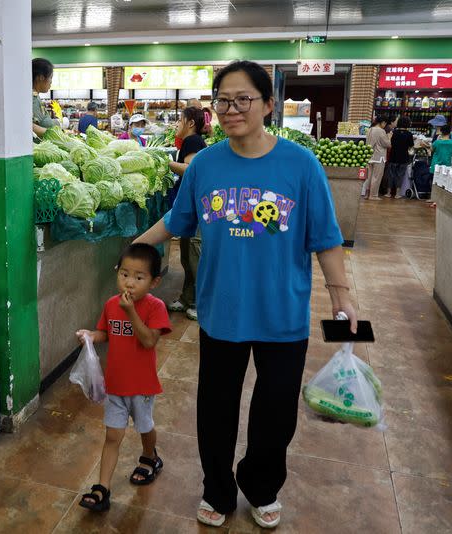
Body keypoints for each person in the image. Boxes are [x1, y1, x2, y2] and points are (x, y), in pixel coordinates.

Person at [133, 60, 356, 529]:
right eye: (222, 101)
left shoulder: (301, 164)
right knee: (215, 410)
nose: (231, 109)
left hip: (282, 313)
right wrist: (135, 247)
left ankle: (261, 486)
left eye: (243, 99)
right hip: (221, 312)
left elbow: (325, 237)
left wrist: (342, 295)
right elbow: (177, 221)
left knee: (275, 414)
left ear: (268, 105)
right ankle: (217, 489)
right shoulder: (206, 165)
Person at [76, 243, 172, 513]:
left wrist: (131, 311)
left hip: (141, 386)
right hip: (115, 385)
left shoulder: (155, 308)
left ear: (154, 282)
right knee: (112, 436)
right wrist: (90, 337)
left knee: (145, 427)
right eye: (124, 274)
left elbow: (148, 341)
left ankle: (150, 457)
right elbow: (105, 333)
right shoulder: (110, 304)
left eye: (139, 277)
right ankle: (102, 489)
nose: (129, 283)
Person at [167, 106, 207, 321]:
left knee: (193, 254)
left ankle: (199, 303)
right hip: (191, 206)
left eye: (180, 120)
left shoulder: (193, 141)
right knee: (186, 254)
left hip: (197, 206)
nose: (177, 124)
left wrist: (169, 163)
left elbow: (191, 169)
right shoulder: (193, 141)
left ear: (190, 123)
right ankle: (186, 298)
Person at [386, 116, 414, 199]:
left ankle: (388, 193)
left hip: (393, 156)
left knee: (391, 175)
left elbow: (390, 143)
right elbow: (411, 146)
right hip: (403, 158)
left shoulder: (394, 132)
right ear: (408, 124)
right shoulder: (409, 134)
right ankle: (397, 194)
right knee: (400, 175)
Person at [32, 58, 60, 138]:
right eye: (51, 77)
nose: (51, 81)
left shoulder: (35, 97)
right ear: (40, 77)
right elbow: (28, 125)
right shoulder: (31, 99)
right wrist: (54, 135)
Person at [366, 115, 392, 200]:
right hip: (379, 156)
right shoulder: (381, 131)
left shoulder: (369, 130)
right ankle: (373, 195)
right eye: (385, 123)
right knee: (376, 177)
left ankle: (367, 194)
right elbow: (387, 144)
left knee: (369, 176)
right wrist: (389, 137)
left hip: (369, 156)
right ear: (383, 122)